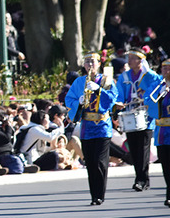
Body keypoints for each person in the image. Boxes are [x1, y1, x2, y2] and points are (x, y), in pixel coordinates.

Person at [65, 52, 118, 205]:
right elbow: (69, 99)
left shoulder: (106, 81)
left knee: (101, 162)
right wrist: (79, 102)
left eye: (92, 62)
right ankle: (94, 195)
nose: (90, 65)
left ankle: (100, 194)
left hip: (102, 126)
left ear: (99, 64)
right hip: (87, 127)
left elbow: (112, 100)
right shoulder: (79, 82)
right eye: (87, 62)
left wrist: (98, 90)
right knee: (91, 162)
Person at [114, 48, 159, 191]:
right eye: (129, 58)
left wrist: (146, 96)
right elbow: (119, 93)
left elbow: (158, 89)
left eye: (133, 58)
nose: (130, 60)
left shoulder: (151, 76)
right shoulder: (124, 77)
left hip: (146, 116)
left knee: (143, 148)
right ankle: (139, 177)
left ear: (141, 60)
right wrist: (119, 102)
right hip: (129, 115)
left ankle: (142, 179)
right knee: (133, 148)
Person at [144, 59, 170, 207]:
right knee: (165, 166)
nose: (166, 72)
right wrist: (159, 96)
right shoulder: (157, 86)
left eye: (168, 69)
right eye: (163, 68)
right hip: (161, 133)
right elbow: (148, 102)